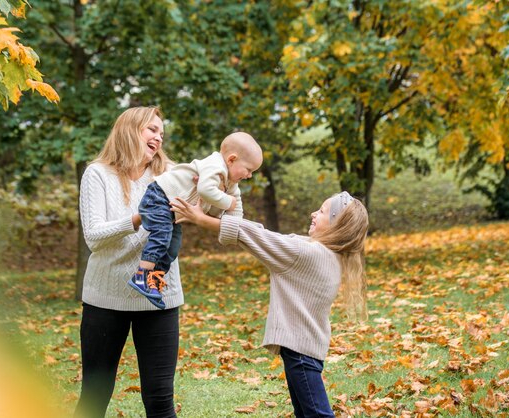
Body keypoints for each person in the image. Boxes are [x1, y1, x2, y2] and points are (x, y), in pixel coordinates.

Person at [171, 191, 369, 418]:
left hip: (300, 352)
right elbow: (265, 234)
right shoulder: (328, 254)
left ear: (336, 225)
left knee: (317, 414)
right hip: (305, 349)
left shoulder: (308, 253)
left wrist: (201, 219)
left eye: (322, 211)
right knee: (305, 413)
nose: (313, 213)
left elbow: (257, 236)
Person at [75, 106, 182, 418]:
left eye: (161, 133)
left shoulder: (170, 175)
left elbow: (207, 198)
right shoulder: (97, 174)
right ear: (129, 130)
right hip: (106, 298)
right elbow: (94, 236)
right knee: (94, 397)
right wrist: (138, 218)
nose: (159, 137)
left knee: (161, 399)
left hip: (158, 295)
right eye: (152, 129)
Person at [128, 132, 263, 308]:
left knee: (173, 246)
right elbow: (207, 190)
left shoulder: (231, 182)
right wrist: (228, 201)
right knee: (161, 236)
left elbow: (235, 210)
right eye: (249, 169)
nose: (250, 175)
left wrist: (236, 224)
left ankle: (154, 279)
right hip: (159, 198)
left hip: (171, 210)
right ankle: (142, 275)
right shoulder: (214, 165)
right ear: (231, 159)